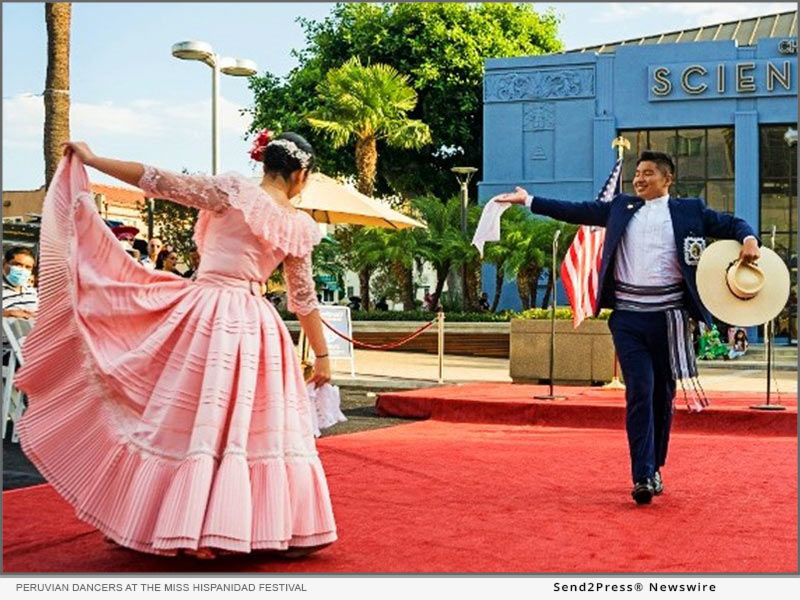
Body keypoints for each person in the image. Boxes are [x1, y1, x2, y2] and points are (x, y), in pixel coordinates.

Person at [14, 131, 337, 558]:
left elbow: (157, 180)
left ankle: (159, 521)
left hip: (204, 313)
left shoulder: (232, 190)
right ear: (300, 175)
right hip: (256, 323)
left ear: (266, 164)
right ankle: (253, 527)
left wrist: (94, 160)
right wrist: (323, 355)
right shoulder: (298, 226)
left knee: (182, 419)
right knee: (251, 430)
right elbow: (304, 300)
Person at [495, 150, 760, 505]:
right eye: (637, 173)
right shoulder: (620, 207)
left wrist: (749, 239)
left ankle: (655, 464)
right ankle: (642, 474)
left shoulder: (689, 211)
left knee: (662, 394)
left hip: (669, 319)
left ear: (667, 179)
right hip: (628, 319)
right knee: (640, 389)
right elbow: (575, 210)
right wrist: (529, 200)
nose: (639, 179)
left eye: (648, 173)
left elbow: (732, 224)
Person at [2, 246, 38, 321]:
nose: (22, 270)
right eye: (17, 265)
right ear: (4, 263)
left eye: (28, 267)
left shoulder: (30, 290)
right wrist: (6, 313)